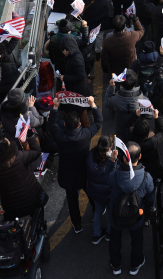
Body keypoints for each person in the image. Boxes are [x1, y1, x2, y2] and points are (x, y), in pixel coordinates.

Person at [48, 94, 103, 234]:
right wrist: (93, 104)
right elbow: (98, 121)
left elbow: (52, 124)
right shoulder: (85, 134)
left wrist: (55, 107)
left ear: (65, 124)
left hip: (67, 175)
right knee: (90, 192)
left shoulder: (59, 136)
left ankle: (77, 225)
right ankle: (97, 211)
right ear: (79, 124)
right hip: (83, 172)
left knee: (72, 201)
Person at [107, 142, 155, 277]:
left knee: (115, 240)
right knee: (137, 240)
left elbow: (106, 177)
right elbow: (151, 196)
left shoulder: (114, 176)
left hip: (116, 215)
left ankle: (116, 265)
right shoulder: (146, 177)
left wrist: (112, 162)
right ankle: (135, 264)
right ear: (140, 157)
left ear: (123, 158)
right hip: (137, 216)